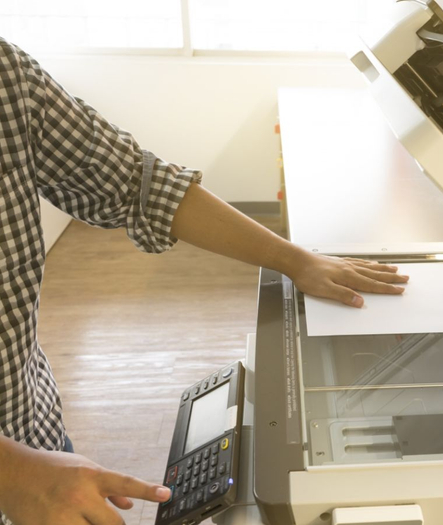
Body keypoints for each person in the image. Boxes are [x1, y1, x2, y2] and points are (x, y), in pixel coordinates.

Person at [0, 38, 408, 525]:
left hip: (31, 425)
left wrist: (295, 260)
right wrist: (15, 474)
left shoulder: (7, 74)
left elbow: (137, 183)